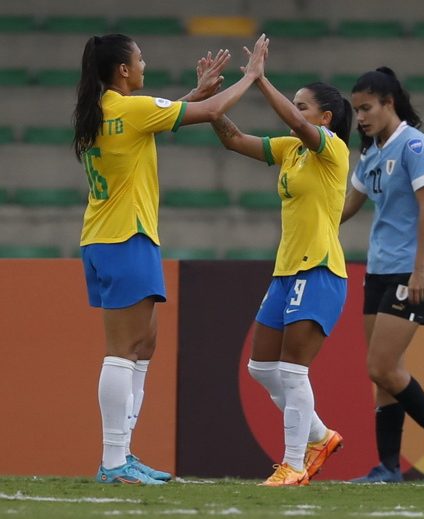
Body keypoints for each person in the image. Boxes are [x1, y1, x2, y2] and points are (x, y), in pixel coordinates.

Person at [73, 33, 268, 485]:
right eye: (140, 58)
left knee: (144, 345)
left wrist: (195, 94)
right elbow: (214, 113)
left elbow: (158, 118)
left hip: (108, 238)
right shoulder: (130, 109)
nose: (145, 63)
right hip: (125, 237)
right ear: (123, 70)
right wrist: (252, 77)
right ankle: (113, 460)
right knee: (123, 351)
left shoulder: (103, 110)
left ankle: (123, 453)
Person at [207, 40, 351, 487]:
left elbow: (289, 119)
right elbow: (233, 140)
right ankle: (320, 436)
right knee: (261, 369)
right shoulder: (292, 150)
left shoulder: (333, 150)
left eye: (303, 106)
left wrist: (258, 79)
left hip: (321, 269)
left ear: (324, 118)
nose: (296, 110)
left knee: (292, 371)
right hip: (287, 271)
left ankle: (293, 465)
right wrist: (212, 103)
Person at [340, 67, 424, 484]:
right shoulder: (371, 152)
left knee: (381, 365)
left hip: (411, 272)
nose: (360, 117)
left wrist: (420, 269)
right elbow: (349, 207)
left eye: (367, 108)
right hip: (378, 271)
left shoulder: (414, 145)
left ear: (389, 103)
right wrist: (309, 217)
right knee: (383, 375)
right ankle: (388, 466)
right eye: (356, 110)